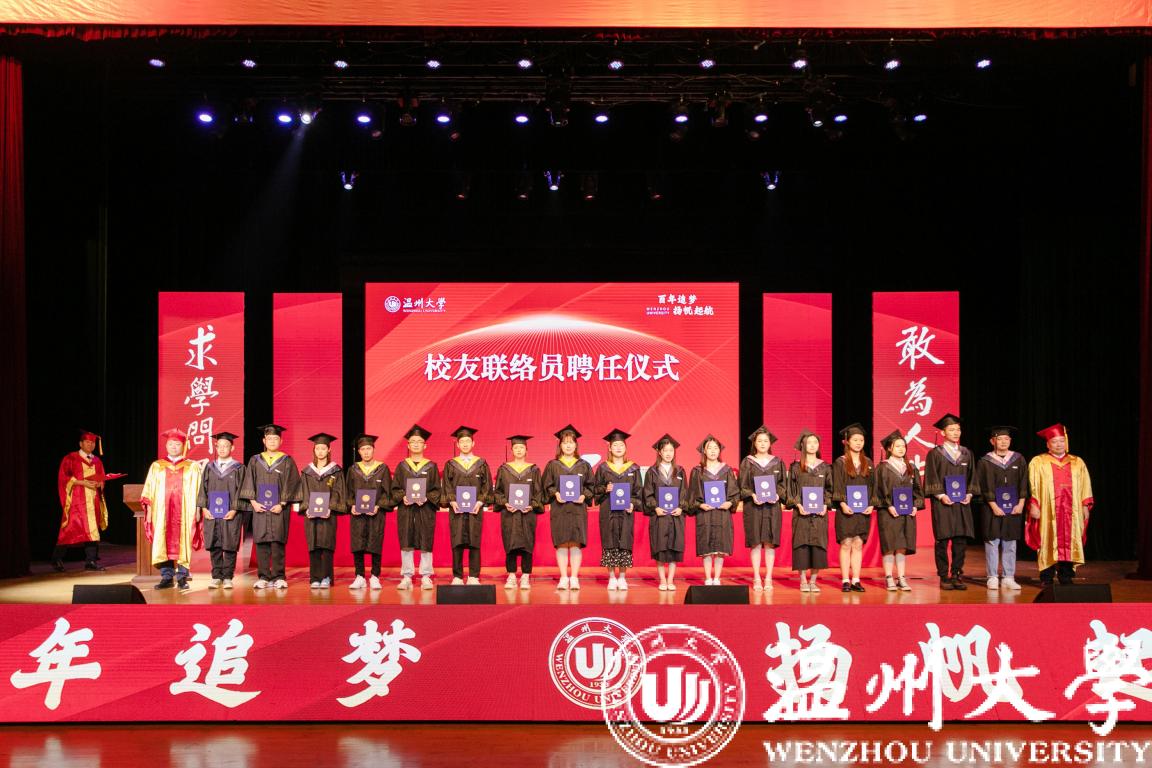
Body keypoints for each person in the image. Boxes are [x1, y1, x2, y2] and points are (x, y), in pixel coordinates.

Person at [1027, 423, 1094, 585]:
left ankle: (1066, 576)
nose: (1059, 444)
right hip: (1048, 510)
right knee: (1047, 539)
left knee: (1070, 540)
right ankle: (1047, 577)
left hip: (1073, 511)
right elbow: (1032, 484)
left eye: (1061, 441)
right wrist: (1034, 505)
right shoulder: (1038, 462)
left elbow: (1085, 485)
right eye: (1055, 441)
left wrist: (1085, 505)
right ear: (1048, 444)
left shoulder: (1077, 462)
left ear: (1066, 442)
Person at [239, 424, 301, 590]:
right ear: (264, 440)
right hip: (259, 508)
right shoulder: (255, 460)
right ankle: (264, 576)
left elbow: (292, 484)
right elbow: (249, 482)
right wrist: (254, 503)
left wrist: (282, 504)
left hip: (279, 509)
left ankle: (279, 576)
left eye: (275, 438)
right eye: (269, 439)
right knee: (261, 542)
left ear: (281, 441)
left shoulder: (287, 461)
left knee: (277, 542)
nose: (272, 441)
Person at [140, 428, 203, 590]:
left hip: (185, 512)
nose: (174, 447)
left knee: (183, 541)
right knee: (163, 540)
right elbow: (148, 490)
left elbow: (199, 490)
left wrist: (198, 510)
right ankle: (167, 577)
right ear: (166, 445)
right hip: (162, 512)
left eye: (177, 444)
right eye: (170, 444)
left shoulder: (192, 466)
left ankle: (182, 577)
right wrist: (149, 511)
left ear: (183, 446)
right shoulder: (157, 466)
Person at [923, 413, 978, 591]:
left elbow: (972, 476)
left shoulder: (966, 453)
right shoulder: (935, 453)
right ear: (943, 432)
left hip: (962, 503)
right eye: (951, 429)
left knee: (960, 540)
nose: (956, 432)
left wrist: (969, 494)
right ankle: (943, 575)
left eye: (958, 429)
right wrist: (940, 495)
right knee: (943, 539)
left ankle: (956, 574)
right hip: (943, 503)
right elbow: (931, 476)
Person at [975, 426, 1027, 591]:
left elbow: (1024, 482)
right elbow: (982, 485)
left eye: (1006, 439)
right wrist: (993, 505)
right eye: (999, 439)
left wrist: (1021, 503)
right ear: (993, 441)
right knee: (992, 541)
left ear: (1010, 441)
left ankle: (1008, 577)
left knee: (1010, 542)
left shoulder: (1018, 459)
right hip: (991, 508)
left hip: (1014, 507)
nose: (1003, 442)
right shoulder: (985, 461)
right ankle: (992, 576)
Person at [541, 424, 593, 590]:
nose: (568, 445)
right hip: (560, 508)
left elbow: (591, 486)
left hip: (578, 509)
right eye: (565, 442)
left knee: (576, 543)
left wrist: (584, 495)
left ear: (576, 445)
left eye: (571, 442)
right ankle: (564, 577)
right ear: (560, 445)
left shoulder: (584, 465)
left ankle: (574, 577)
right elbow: (546, 486)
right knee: (562, 543)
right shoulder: (553, 465)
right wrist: (555, 494)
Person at [391, 424, 441, 590]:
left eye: (419, 441)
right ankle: (407, 576)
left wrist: (426, 498)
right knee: (406, 540)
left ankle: (426, 576)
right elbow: (395, 488)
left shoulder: (431, 466)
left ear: (425, 445)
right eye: (413, 441)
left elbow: (437, 490)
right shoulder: (402, 466)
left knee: (426, 540)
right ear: (408, 445)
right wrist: (403, 497)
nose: (416, 444)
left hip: (425, 509)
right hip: (406, 509)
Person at [872, 430, 922, 592]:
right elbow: (878, 490)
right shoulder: (883, 467)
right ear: (889, 448)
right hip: (889, 512)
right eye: (897, 446)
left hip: (907, 512)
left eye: (903, 446)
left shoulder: (911, 467)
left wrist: (915, 506)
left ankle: (901, 577)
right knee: (890, 545)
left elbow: (917, 490)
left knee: (902, 545)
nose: (901, 449)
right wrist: (889, 506)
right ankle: (888, 577)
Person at [196, 431, 247, 589]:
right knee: (214, 543)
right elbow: (203, 489)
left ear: (232, 448)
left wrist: (235, 509)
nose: (223, 449)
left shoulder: (239, 468)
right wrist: (204, 508)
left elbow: (242, 490)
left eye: (226, 446)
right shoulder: (209, 467)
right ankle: (216, 576)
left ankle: (227, 577)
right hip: (211, 512)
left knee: (230, 544)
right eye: (220, 446)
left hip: (231, 513)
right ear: (216, 447)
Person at [737, 426, 786, 591]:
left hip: (772, 508)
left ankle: (769, 577)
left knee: (770, 543)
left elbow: (783, 485)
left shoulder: (777, 462)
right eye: (760, 441)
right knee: (756, 543)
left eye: (766, 441)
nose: (763, 443)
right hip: (754, 507)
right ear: (755, 443)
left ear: (770, 443)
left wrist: (778, 495)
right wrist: (752, 495)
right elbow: (742, 485)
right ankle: (757, 577)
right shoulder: (748, 461)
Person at [52, 430, 109, 572]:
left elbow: (101, 478)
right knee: (69, 529)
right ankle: (56, 559)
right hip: (76, 501)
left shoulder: (97, 461)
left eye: (92, 443)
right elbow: (63, 478)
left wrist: (100, 483)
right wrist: (81, 482)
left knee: (92, 529)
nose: (90, 445)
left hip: (92, 500)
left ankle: (91, 561)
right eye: (87, 442)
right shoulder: (70, 458)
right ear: (80, 444)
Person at [443, 426, 493, 585]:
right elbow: (447, 485)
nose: (465, 444)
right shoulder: (451, 464)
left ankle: (473, 576)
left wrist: (480, 502)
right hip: (456, 509)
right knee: (456, 541)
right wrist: (452, 500)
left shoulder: (481, 463)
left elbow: (487, 485)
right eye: (462, 441)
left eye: (468, 441)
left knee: (474, 541)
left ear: (473, 443)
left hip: (475, 509)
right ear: (457, 444)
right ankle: (457, 576)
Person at [594, 428, 643, 590]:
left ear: (626, 447)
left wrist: (633, 504)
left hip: (626, 513)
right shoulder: (603, 468)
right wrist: (605, 489)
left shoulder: (633, 468)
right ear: (609, 448)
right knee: (610, 542)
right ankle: (611, 577)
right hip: (608, 511)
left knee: (625, 542)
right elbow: (595, 491)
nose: (618, 448)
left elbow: (639, 493)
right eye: (615, 445)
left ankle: (622, 577)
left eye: (621, 445)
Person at [686, 434, 738, 585]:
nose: (713, 451)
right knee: (706, 547)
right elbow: (692, 494)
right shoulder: (697, 471)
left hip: (722, 513)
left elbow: (734, 492)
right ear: (704, 451)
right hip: (705, 514)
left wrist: (730, 503)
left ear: (719, 451)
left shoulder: (726, 470)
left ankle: (717, 578)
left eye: (716, 448)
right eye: (710, 448)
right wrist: (700, 505)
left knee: (721, 548)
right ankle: (708, 577)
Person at [494, 435, 543, 589]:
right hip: (509, 513)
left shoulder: (534, 469)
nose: (519, 450)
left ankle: (526, 576)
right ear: (512, 450)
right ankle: (511, 576)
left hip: (528, 514)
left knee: (527, 544)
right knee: (510, 543)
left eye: (522, 447)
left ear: (526, 450)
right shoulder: (504, 469)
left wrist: (533, 505)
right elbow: (498, 492)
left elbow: (539, 492)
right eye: (516, 447)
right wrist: (505, 503)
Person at [298, 433, 347, 589]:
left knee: (327, 546)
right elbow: (304, 491)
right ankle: (314, 578)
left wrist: (330, 507)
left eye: (323, 448)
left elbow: (339, 492)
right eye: (317, 448)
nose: (320, 451)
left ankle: (326, 577)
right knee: (313, 545)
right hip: (311, 515)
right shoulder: (307, 471)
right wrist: (306, 507)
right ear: (314, 450)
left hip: (328, 514)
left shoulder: (336, 471)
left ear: (329, 450)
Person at [831, 423, 874, 593]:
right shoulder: (840, 462)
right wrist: (842, 503)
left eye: (861, 440)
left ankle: (856, 579)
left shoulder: (868, 462)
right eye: (855, 440)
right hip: (846, 510)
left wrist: (871, 504)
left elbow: (873, 486)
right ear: (847, 441)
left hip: (862, 510)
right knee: (846, 543)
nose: (858, 443)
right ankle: (845, 580)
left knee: (858, 543)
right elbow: (837, 485)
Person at [345, 434, 391, 590]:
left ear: (373, 450)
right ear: (359, 451)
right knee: (358, 544)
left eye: (368, 448)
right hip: (358, 514)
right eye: (363, 449)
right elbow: (348, 492)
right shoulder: (353, 469)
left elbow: (387, 493)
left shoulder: (382, 468)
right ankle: (359, 576)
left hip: (376, 514)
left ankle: (375, 576)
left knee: (375, 543)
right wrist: (352, 505)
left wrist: (378, 506)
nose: (366, 452)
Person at [641, 434, 687, 591]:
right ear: (659, 452)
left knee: (674, 547)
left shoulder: (680, 471)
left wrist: (681, 507)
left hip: (675, 516)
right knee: (660, 547)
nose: (668, 453)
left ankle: (671, 580)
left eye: (671, 450)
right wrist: (655, 507)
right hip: (659, 516)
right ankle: (662, 580)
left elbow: (684, 492)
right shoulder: (652, 472)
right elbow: (647, 493)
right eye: (665, 450)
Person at [788, 431, 831, 592]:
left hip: (819, 515)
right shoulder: (795, 467)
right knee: (801, 546)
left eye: (815, 442)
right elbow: (791, 490)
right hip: (801, 514)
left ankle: (813, 581)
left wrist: (826, 505)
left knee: (818, 546)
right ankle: (803, 581)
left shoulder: (825, 467)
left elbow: (829, 489)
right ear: (803, 445)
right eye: (809, 443)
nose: (812, 445)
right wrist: (798, 504)